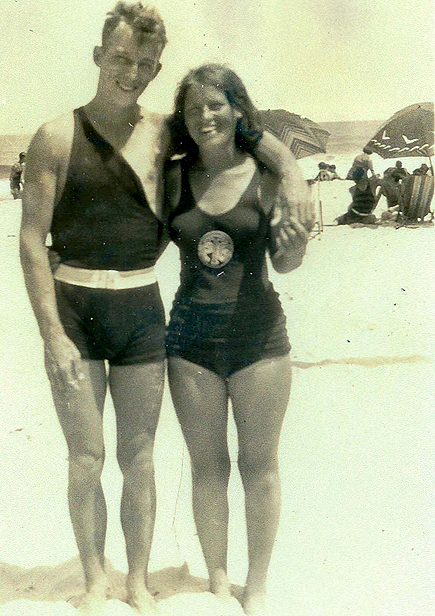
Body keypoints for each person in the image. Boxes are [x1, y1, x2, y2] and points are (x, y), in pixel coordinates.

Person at [20, 3, 310, 613]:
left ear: (155, 72)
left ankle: (138, 580)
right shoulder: (55, 136)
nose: (130, 72)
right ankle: (97, 578)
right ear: (100, 56)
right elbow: (29, 240)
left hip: (142, 308)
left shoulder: (163, 132)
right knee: (85, 457)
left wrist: (293, 177)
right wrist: (52, 335)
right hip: (75, 306)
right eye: (121, 58)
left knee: (139, 455)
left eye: (144, 64)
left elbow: (248, 137)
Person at [164, 64, 310, 615]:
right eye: (195, 108)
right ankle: (219, 579)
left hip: (260, 342)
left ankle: (260, 582)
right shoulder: (172, 179)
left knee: (260, 465)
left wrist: (294, 250)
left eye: (217, 105)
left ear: (238, 109)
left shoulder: (266, 178)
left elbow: (285, 261)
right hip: (190, 343)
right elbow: (140, 240)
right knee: (208, 467)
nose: (206, 117)